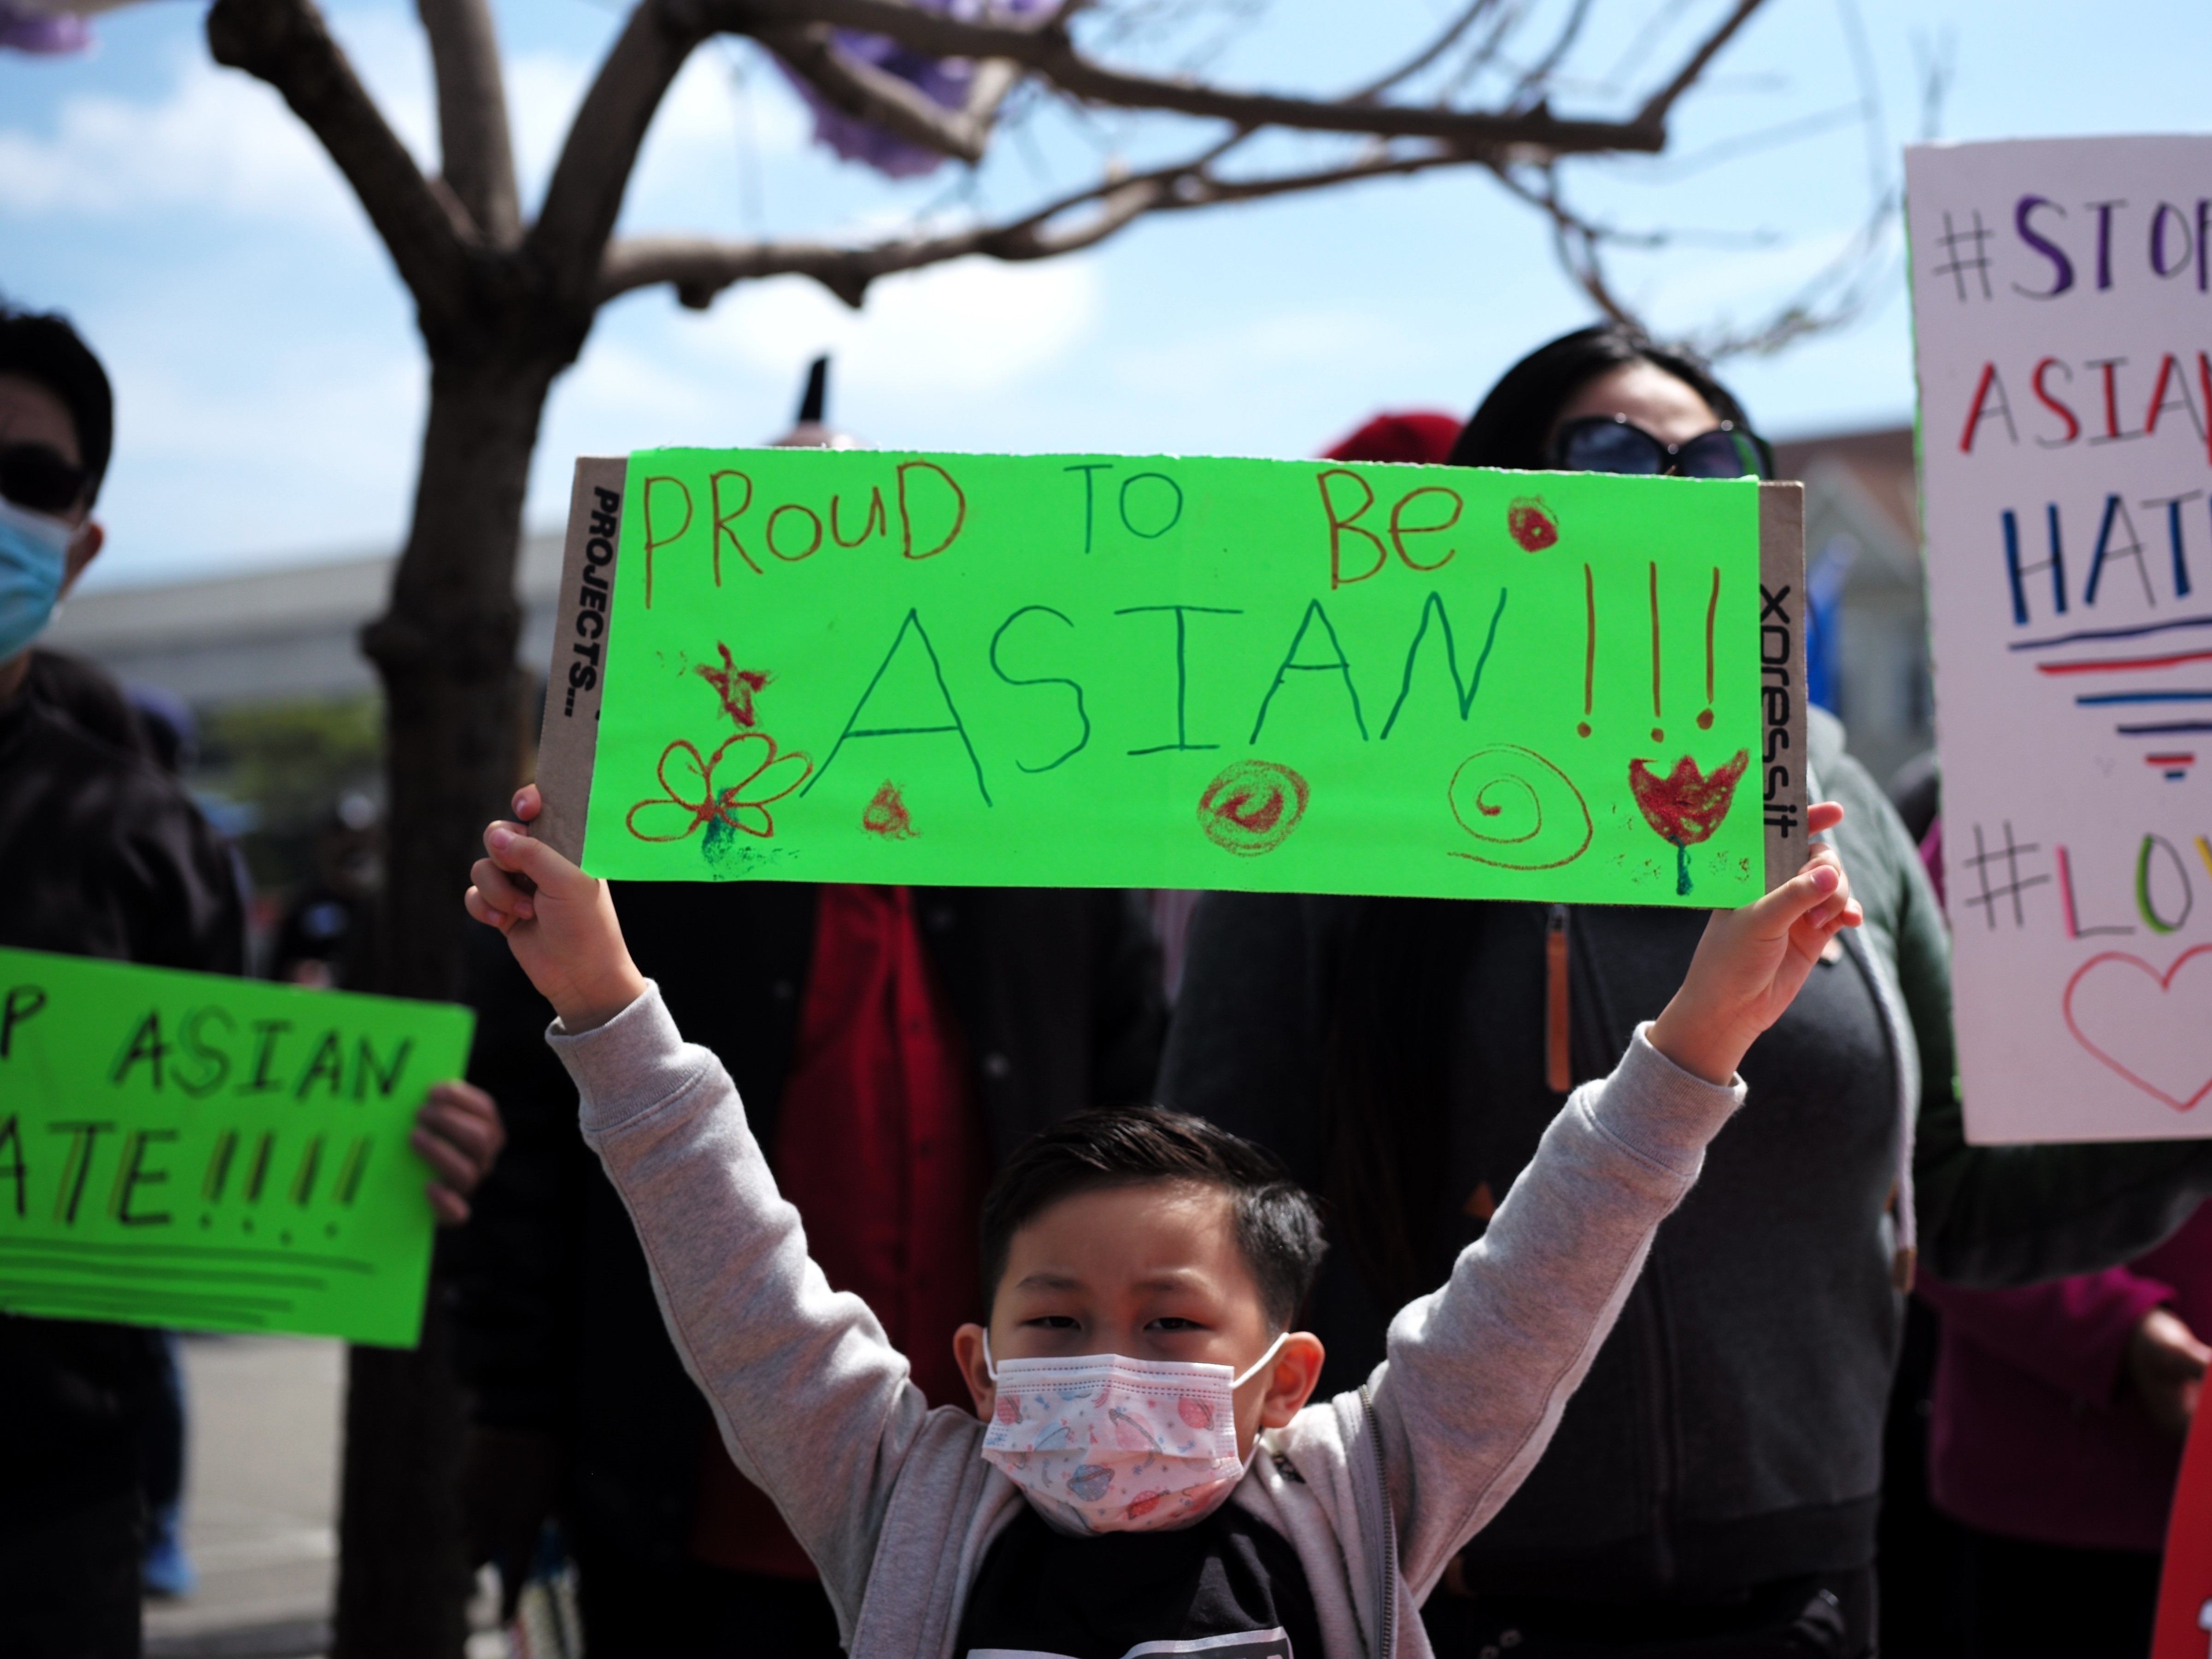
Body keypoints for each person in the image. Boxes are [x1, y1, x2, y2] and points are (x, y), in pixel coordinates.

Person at [1160, 323, 2212, 1658]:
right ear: (1500, 505)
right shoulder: (1350, 794)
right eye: (1608, 452)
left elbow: (1951, 1202)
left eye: (1718, 461)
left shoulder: (1845, 802)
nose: (1672, 486)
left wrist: (2191, 1086)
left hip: (1809, 1588)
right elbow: (1219, 1204)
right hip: (1442, 1594)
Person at [459, 769, 1863, 1659]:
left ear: (1287, 1377)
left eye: (1174, 1322)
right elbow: (738, 1273)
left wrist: (1700, 1033)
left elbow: (1548, 1274)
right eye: (1055, 1319)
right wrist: (602, 1004)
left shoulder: (1360, 1502)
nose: (1107, 1360)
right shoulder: (900, 1505)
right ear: (975, 1365)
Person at [0, 303, 503, 1656]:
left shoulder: (143, 836)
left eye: (28, 482)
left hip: (40, 1515)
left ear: (83, 542)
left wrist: (380, 1142)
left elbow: (214, 1147)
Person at [451, 875, 1167, 1654]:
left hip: (1023, 1509)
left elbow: (1142, 1132)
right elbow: (529, 1143)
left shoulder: (1062, 845)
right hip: (700, 1511)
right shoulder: (650, 837)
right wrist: (515, 1408)